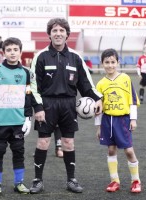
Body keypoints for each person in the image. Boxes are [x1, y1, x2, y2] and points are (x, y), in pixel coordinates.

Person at [29, 17, 103, 194]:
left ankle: (71, 180)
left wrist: (96, 98)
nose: (58, 34)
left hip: (69, 105)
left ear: (67, 34)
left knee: (68, 143)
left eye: (62, 31)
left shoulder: (75, 57)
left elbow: (85, 83)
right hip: (47, 105)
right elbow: (32, 86)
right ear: (49, 34)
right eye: (54, 30)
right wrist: (38, 108)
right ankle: (37, 180)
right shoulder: (40, 57)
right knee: (43, 142)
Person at [0, 37, 32, 196]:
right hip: (0, 123)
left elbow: (28, 96)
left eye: (15, 50)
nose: (12, 53)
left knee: (19, 152)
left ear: (20, 52)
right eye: (9, 50)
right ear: (3, 53)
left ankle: (19, 183)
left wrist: (28, 117)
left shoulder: (26, 73)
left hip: (18, 123)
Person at [95, 48, 141, 193]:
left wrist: (133, 119)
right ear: (102, 63)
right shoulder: (101, 83)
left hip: (123, 119)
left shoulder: (125, 78)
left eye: (113, 62)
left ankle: (136, 181)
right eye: (107, 62)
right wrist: (98, 126)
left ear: (118, 62)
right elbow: (98, 107)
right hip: (107, 120)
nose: (110, 65)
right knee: (111, 149)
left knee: (128, 150)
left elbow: (132, 100)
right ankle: (114, 181)